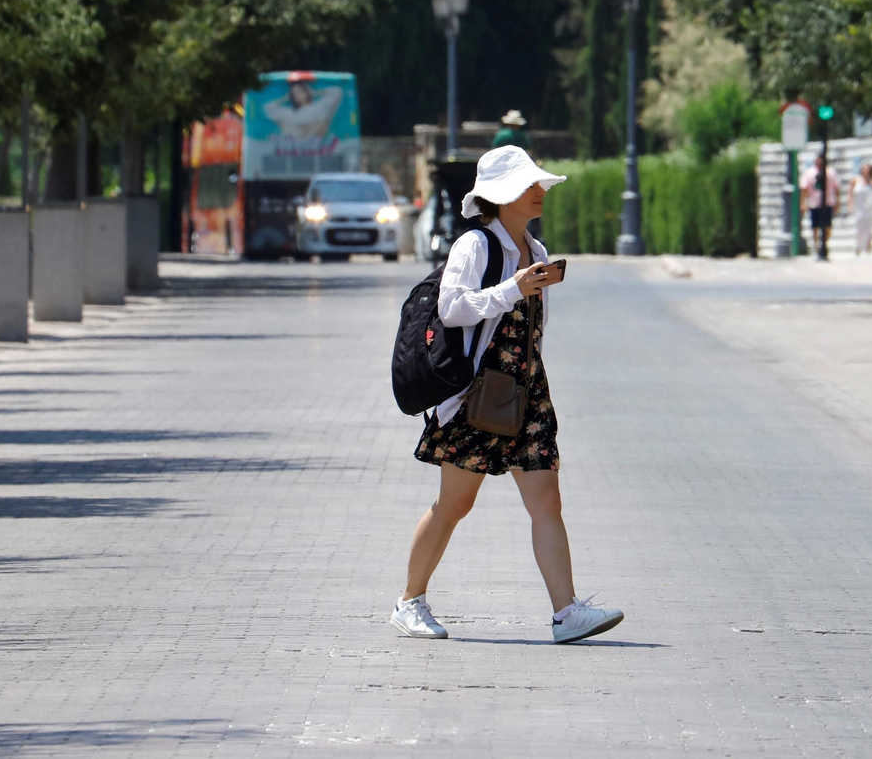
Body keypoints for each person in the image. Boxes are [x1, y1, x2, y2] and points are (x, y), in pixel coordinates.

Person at [392, 145, 625, 645]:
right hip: (477, 394)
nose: (541, 192)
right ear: (502, 196)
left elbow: (533, 327)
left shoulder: (536, 251)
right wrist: (513, 289)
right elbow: (453, 309)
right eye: (530, 185)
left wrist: (528, 293)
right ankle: (410, 602)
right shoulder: (475, 246)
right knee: (454, 504)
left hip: (526, 389)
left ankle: (567, 612)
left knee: (547, 499)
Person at [262, 72, 342, 138]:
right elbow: (268, 108)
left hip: (317, 147)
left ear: (307, 92)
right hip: (293, 150)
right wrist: (285, 98)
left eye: (300, 92)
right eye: (294, 94)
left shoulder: (320, 106)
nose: (298, 96)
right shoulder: (289, 113)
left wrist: (315, 92)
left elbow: (337, 92)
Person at [798, 153, 840, 260]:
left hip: (827, 202)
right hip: (814, 203)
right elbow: (804, 188)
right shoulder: (809, 172)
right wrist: (803, 203)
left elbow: (836, 187)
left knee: (827, 226)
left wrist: (837, 202)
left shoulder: (830, 171)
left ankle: (824, 243)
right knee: (815, 226)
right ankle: (817, 247)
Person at [851, 161, 872, 255]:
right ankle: (858, 247)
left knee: (869, 228)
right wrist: (850, 205)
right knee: (859, 228)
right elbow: (850, 193)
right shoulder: (856, 179)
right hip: (859, 207)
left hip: (869, 207)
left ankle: (868, 248)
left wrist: (870, 180)